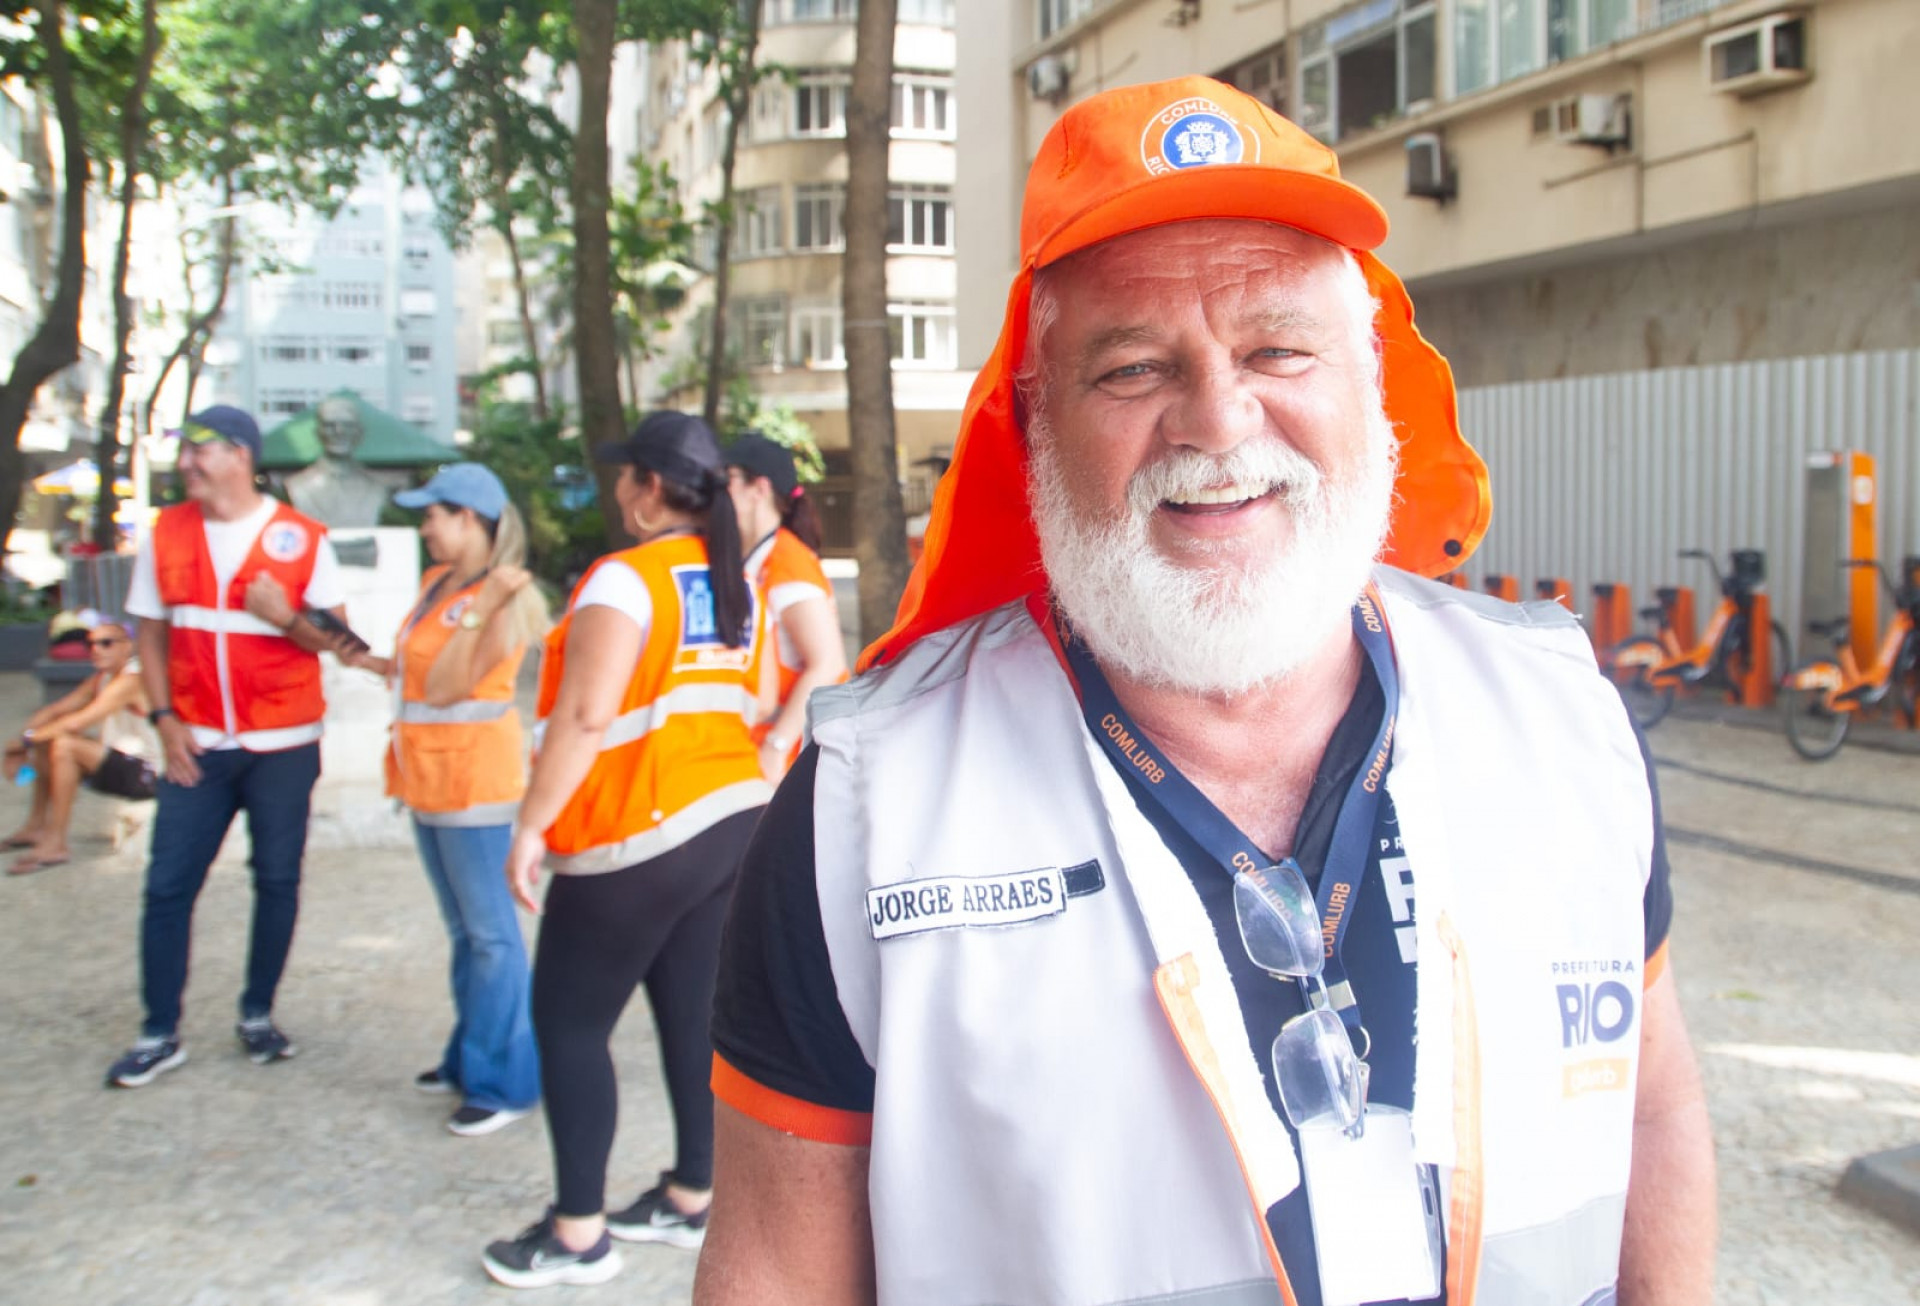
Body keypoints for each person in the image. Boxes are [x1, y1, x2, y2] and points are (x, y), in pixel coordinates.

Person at [695, 77, 1717, 1306]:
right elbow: (773, 1274)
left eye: (1279, 348)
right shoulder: (864, 809)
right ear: (1032, 424)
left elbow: (1651, 1109)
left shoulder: (1562, 718)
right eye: (1133, 368)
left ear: (1373, 383)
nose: (1219, 422)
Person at [480, 411, 772, 1290]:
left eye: (622, 476)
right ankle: (692, 1193)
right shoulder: (730, 580)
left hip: (635, 829)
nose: (615, 490)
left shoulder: (623, 580)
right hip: (727, 818)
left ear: (649, 487)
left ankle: (577, 1234)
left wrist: (531, 823)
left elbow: (585, 715)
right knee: (688, 1015)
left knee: (569, 1025)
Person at [105, 405, 351, 1089]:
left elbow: (339, 641)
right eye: (185, 452)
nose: (186, 463)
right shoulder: (168, 532)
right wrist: (162, 717)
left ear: (240, 455)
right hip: (197, 745)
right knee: (167, 887)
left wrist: (287, 618)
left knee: (276, 880)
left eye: (199, 451)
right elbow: (149, 633)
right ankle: (159, 1031)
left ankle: (257, 1015)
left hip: (284, 743)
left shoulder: (301, 537)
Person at [341, 464, 549, 1137]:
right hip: (426, 780)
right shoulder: (438, 583)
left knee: (493, 938)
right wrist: (353, 653)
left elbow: (450, 685)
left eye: (434, 515)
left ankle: (505, 1081)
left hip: (473, 788)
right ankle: (468, 1058)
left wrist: (485, 607)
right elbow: (417, 669)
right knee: (467, 933)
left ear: (472, 519)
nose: (425, 527)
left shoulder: (507, 596)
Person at [723, 432, 846, 779]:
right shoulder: (761, 559)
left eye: (727, 479)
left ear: (758, 489)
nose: (718, 493)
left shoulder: (786, 564)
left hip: (789, 759)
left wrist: (775, 747)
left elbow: (827, 664)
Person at [3, 620, 157, 874]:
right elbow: (55, 710)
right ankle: (36, 827)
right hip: (121, 764)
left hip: (148, 774)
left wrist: (23, 743)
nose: (96, 649)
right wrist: (25, 740)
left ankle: (56, 844)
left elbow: (79, 721)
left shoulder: (132, 678)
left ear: (127, 647)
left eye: (106, 643)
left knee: (66, 746)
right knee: (49, 739)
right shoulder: (103, 678)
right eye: (91, 644)